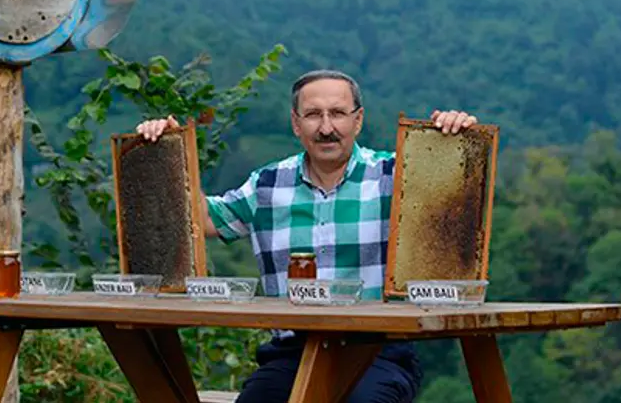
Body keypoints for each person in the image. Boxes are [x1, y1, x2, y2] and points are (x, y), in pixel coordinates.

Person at [136, 69, 479, 403]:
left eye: (338, 114)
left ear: (357, 121)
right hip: (290, 354)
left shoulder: (396, 177)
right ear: (296, 124)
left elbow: (454, 205)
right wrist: (167, 152)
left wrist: (454, 137)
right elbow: (201, 221)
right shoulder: (268, 184)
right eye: (314, 115)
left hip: (377, 352)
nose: (326, 128)